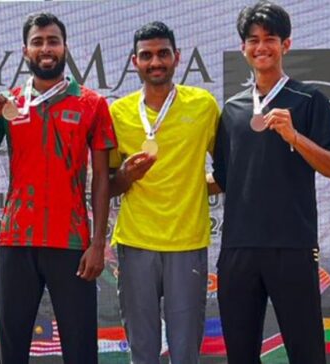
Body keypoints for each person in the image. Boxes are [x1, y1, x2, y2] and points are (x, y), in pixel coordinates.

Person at [0, 12, 116, 364]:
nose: (46, 48)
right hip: (16, 240)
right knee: (11, 349)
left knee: (80, 350)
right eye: (38, 42)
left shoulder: (91, 103)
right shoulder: (7, 103)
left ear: (65, 48)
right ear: (24, 51)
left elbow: (103, 178)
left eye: (52, 41)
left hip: (72, 243)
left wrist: (97, 244)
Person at [210, 2, 330, 363]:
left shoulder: (309, 101)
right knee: (240, 355)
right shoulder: (233, 108)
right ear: (243, 48)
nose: (261, 47)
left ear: (285, 44)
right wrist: (166, 179)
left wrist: (295, 136)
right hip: (238, 249)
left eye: (269, 39)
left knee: (306, 353)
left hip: (292, 247)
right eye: (253, 40)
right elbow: (224, 179)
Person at [108, 21, 219, 364]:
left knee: (185, 352)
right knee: (142, 351)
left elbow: (229, 170)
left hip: (187, 243)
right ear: (134, 62)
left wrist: (193, 183)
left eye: (162, 54)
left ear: (177, 57)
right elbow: (108, 183)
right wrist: (126, 175)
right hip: (136, 243)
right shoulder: (118, 113)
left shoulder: (203, 105)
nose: (155, 62)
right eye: (147, 55)